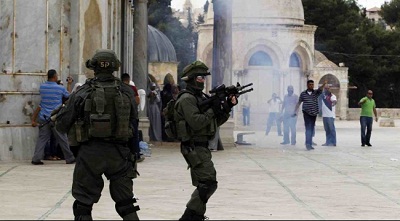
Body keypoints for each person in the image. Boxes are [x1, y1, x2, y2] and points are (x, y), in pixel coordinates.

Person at [55, 49, 140, 220]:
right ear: (114, 67)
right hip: (120, 154)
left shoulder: (82, 92)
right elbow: (133, 122)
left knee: (83, 205)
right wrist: (133, 154)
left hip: (89, 154)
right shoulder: (126, 91)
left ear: (94, 67)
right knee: (126, 203)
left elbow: (62, 125)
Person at [175, 61, 237, 220]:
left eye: (204, 77)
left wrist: (227, 107)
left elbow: (214, 123)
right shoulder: (186, 99)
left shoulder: (201, 97)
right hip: (193, 146)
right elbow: (196, 122)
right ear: (191, 79)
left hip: (202, 146)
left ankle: (196, 216)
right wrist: (212, 109)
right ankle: (189, 216)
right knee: (208, 183)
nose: (202, 80)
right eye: (200, 77)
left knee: (206, 183)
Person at [31, 69, 75, 165]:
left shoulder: (42, 87)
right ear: (55, 77)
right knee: (63, 138)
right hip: (56, 118)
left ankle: (36, 158)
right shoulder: (60, 88)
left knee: (42, 139)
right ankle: (70, 158)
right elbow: (68, 96)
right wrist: (69, 84)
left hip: (44, 117)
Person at [294, 80, 327, 150]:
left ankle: (309, 143)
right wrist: (295, 111)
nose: (311, 86)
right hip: (306, 113)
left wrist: (324, 84)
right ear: (307, 85)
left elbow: (320, 89)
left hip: (314, 113)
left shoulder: (315, 93)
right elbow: (299, 102)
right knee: (308, 128)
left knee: (311, 128)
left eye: (312, 84)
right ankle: (308, 144)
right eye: (310, 84)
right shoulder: (303, 94)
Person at [121, 73, 144, 162]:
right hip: (132, 116)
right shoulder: (132, 89)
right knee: (134, 136)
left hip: (121, 117)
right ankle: (135, 155)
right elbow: (137, 101)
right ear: (128, 79)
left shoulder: (118, 88)